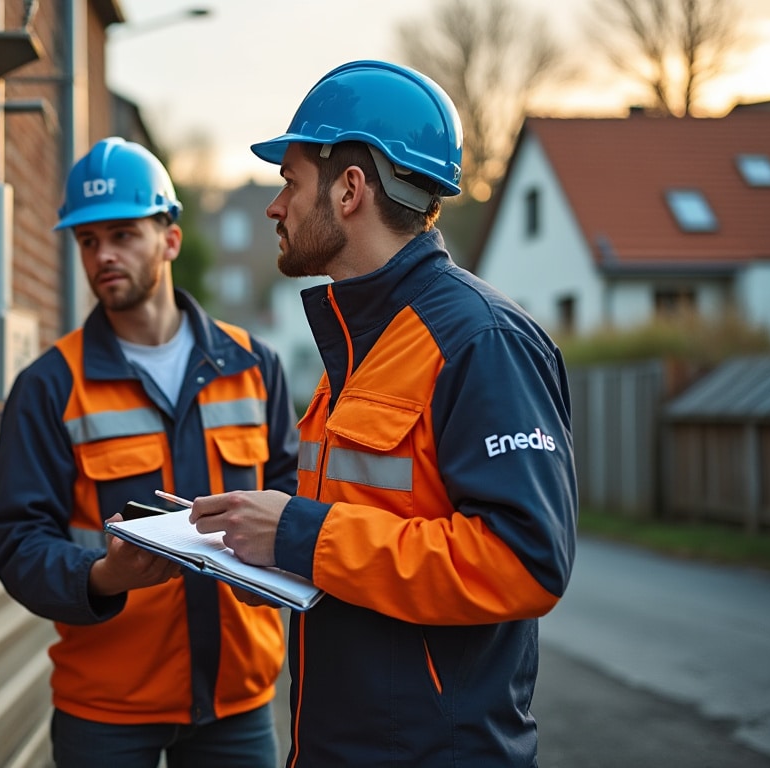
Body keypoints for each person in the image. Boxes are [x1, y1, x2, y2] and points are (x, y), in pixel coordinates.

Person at [188, 60, 579, 766]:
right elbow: (368, 531)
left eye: (289, 182)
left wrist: (300, 535)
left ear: (349, 189)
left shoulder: (480, 340)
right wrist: (265, 551)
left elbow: (524, 562)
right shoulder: (355, 346)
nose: (275, 207)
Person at [0, 136, 301, 768]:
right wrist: (103, 577)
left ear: (171, 239)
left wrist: (276, 565)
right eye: (88, 240)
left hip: (239, 702)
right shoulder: (51, 385)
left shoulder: (253, 366)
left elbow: (296, 499)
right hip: (105, 711)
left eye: (123, 234)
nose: (103, 254)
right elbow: (17, 541)